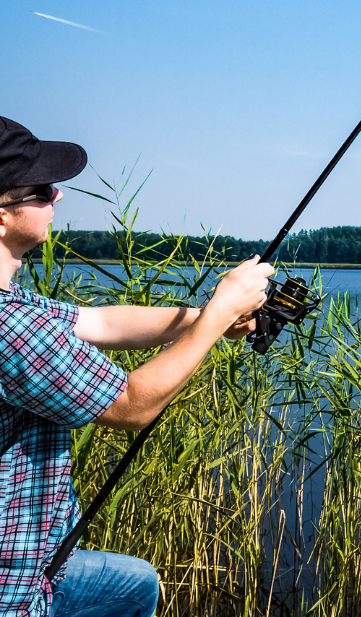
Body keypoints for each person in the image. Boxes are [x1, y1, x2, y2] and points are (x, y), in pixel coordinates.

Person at [0, 117, 273, 617]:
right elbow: (130, 404)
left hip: (44, 560)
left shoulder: (15, 303)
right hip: (12, 586)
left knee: (135, 585)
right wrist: (215, 315)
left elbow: (99, 321)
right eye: (41, 191)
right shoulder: (8, 326)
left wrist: (209, 319)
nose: (57, 197)